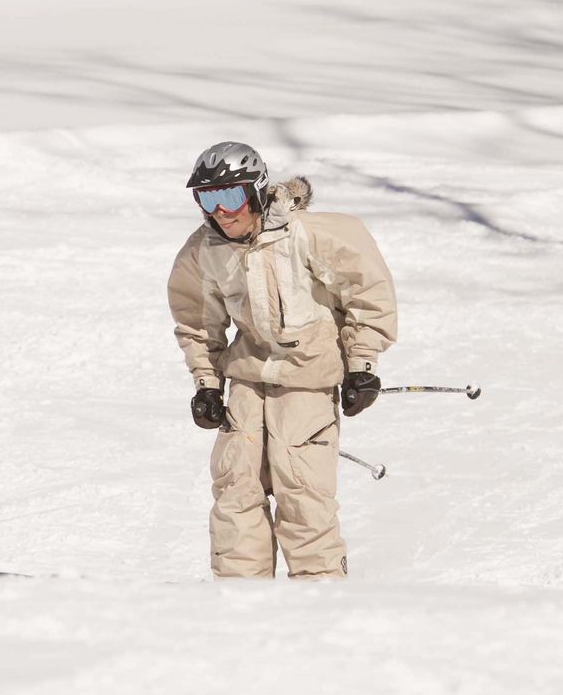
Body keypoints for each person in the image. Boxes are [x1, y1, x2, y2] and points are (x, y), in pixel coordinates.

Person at [168, 141, 397, 580]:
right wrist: (207, 384)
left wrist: (361, 366)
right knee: (236, 495)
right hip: (248, 383)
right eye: (208, 198)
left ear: (255, 191)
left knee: (304, 499)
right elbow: (197, 321)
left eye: (231, 196)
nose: (221, 211)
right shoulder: (204, 251)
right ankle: (241, 609)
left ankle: (319, 605)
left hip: (308, 384)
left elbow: (368, 294)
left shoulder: (311, 235)